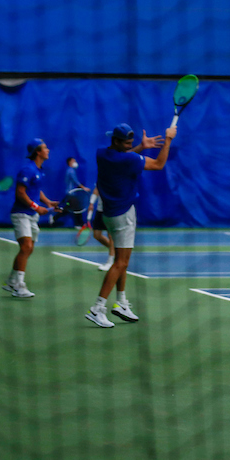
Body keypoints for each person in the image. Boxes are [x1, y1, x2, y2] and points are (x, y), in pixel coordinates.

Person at [84, 123, 175, 328]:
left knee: (120, 260)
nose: (129, 146)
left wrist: (140, 147)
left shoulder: (102, 154)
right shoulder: (129, 159)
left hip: (109, 215)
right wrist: (168, 139)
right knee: (121, 263)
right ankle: (98, 308)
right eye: (126, 143)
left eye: (130, 143)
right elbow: (159, 164)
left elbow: (124, 155)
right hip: (123, 216)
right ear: (116, 141)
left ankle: (121, 303)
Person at [4, 139, 58, 298]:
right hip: (21, 214)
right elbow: (20, 193)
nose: (48, 150)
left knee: (29, 248)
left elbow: (35, 189)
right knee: (26, 247)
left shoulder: (39, 170)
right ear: (37, 152)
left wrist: (47, 202)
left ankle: (11, 281)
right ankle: (19, 286)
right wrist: (36, 207)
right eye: (45, 148)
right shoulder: (27, 169)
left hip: (31, 216)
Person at [66, 157, 114, 271]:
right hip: (100, 209)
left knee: (111, 235)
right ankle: (116, 251)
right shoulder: (102, 175)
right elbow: (97, 189)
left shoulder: (116, 176)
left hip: (111, 209)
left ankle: (111, 260)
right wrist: (92, 203)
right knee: (97, 235)